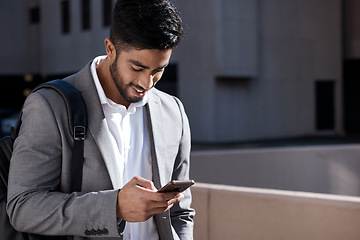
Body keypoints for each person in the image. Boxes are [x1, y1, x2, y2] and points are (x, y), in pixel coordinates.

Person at [6, 0, 195, 239]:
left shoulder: (173, 112)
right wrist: (114, 207)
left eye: (158, 70)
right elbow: (23, 207)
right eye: (137, 68)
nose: (147, 84)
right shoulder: (49, 106)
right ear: (110, 48)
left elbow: (181, 212)